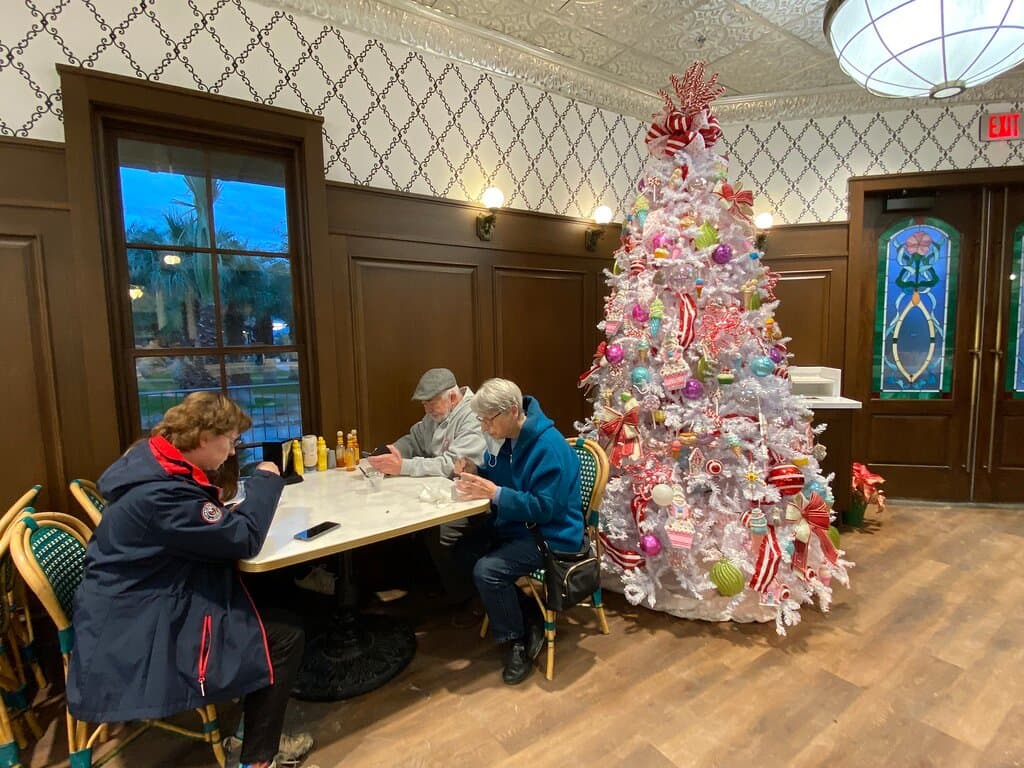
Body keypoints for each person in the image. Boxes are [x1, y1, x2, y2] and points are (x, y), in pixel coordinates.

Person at [66, 392, 318, 768]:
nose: (232, 452)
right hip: (139, 629)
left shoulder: (151, 463)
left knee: (272, 592)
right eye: (230, 441)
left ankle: (251, 728)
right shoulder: (162, 495)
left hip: (131, 603)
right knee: (284, 635)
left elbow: (200, 524)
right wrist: (267, 481)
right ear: (203, 439)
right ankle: (256, 757)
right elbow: (245, 539)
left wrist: (219, 515)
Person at [453, 378, 583, 685]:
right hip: (519, 527)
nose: (485, 428)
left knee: (488, 570)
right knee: (461, 552)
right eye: (481, 420)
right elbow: (503, 477)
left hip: (552, 534)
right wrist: (477, 472)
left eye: (488, 420)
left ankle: (517, 642)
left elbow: (545, 507)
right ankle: (528, 612)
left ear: (512, 411)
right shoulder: (509, 436)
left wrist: (495, 493)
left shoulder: (547, 446)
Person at [365, 367, 487, 605]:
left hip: (472, 499)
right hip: (442, 495)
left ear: (452, 398)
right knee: (405, 520)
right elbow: (415, 438)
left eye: (431, 403)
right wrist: (395, 452)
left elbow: (451, 465)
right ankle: (433, 586)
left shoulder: (474, 416)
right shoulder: (436, 416)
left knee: (439, 530)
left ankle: (462, 598)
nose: (427, 409)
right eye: (424, 405)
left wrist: (402, 467)